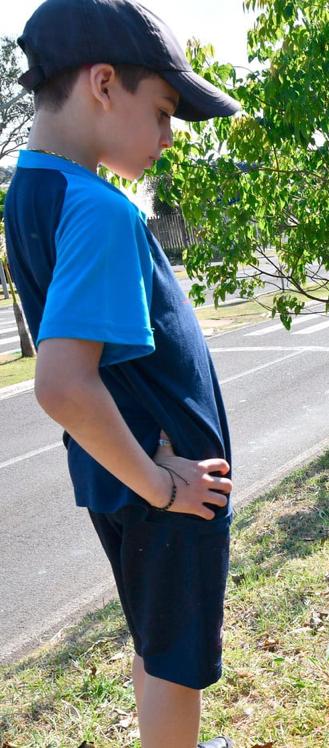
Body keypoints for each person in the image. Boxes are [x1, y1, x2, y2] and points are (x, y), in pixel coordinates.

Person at [3, 1, 241, 745]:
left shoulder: (33, 190)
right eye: (165, 111)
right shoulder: (99, 209)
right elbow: (64, 383)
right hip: (166, 491)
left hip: (133, 479)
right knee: (175, 658)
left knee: (155, 637)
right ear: (104, 83)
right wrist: (165, 485)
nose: (169, 138)